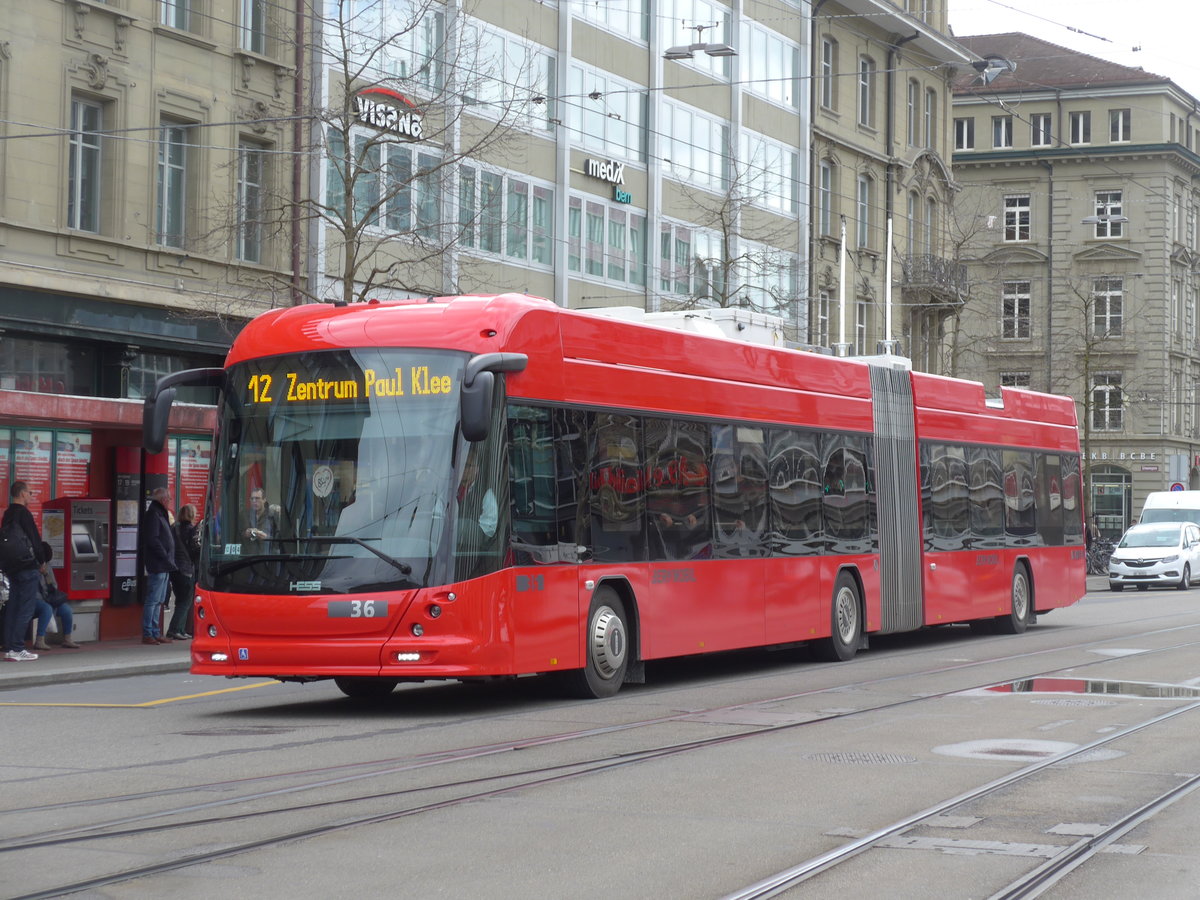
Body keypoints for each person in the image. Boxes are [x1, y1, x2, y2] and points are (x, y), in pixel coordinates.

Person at [2, 481, 48, 661]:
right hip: (27, 566)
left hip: (11, 566)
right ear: (21, 494)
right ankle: (18, 648)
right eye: (30, 492)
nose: (31, 495)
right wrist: (42, 560)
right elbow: (34, 539)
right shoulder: (24, 514)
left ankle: (9, 648)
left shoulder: (8, 514)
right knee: (26, 608)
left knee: (13, 606)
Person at [139, 486, 177, 645]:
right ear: (163, 500)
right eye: (168, 498)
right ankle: (149, 632)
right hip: (158, 563)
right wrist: (165, 556)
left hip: (164, 563)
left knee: (159, 599)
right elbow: (153, 540)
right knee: (153, 599)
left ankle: (155, 631)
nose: (170, 501)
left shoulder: (159, 513)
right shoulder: (154, 514)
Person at [32, 542, 78, 650]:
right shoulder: (31, 567)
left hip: (49, 597)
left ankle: (67, 638)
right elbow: (32, 590)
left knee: (67, 610)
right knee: (46, 608)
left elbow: (53, 585)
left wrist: (45, 574)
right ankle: (40, 640)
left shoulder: (47, 566)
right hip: (35, 600)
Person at [167, 504, 200, 640]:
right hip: (186, 569)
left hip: (174, 568)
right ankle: (175, 630)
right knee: (185, 602)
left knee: (179, 600)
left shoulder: (174, 528)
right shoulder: (191, 530)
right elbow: (194, 549)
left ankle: (180, 629)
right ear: (192, 515)